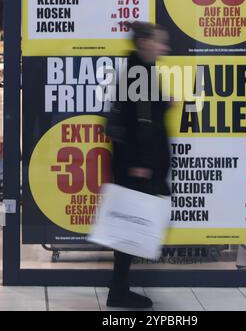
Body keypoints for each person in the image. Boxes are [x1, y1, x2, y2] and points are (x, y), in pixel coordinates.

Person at [106, 22, 171, 309]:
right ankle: (118, 291)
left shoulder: (137, 70)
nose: (163, 47)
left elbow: (139, 113)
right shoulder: (140, 73)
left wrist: (163, 103)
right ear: (145, 43)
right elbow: (141, 125)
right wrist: (141, 165)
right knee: (130, 231)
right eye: (159, 42)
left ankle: (119, 289)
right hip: (137, 167)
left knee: (130, 230)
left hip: (133, 165)